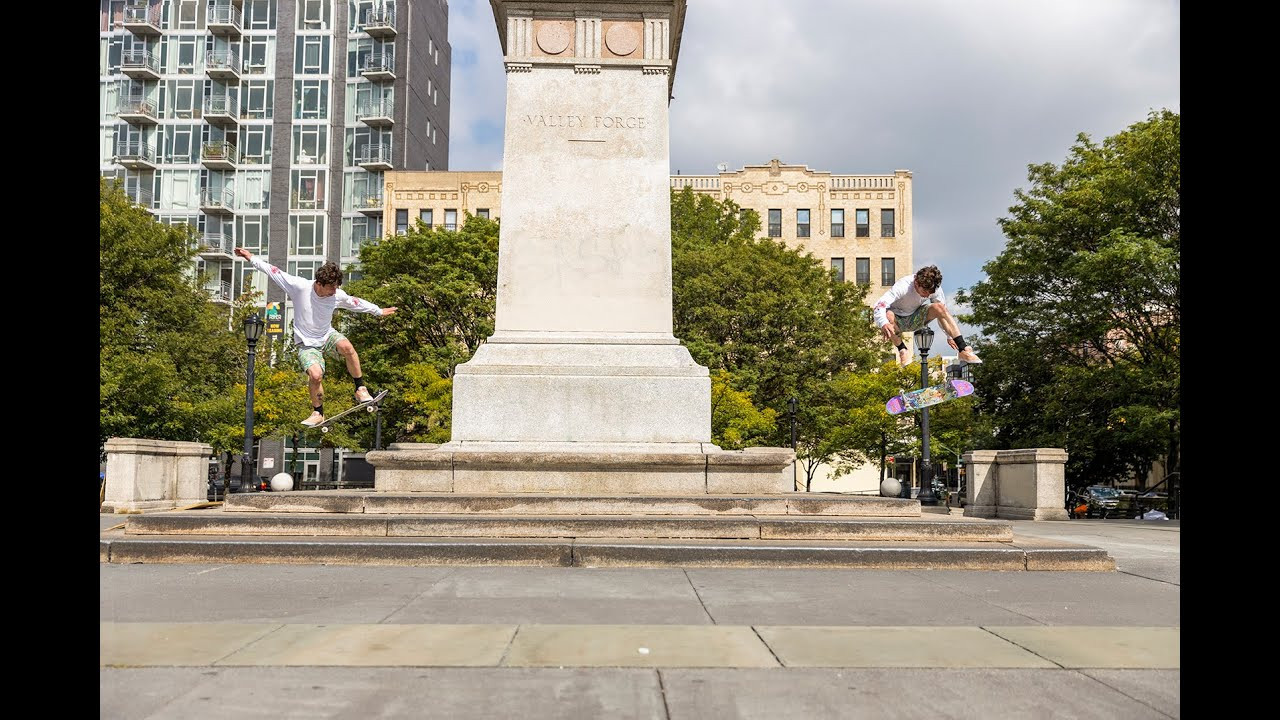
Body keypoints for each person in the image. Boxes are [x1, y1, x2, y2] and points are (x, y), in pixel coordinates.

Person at [234, 247, 397, 427]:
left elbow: (355, 303)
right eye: (330, 288)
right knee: (316, 375)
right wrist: (250, 257)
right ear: (319, 283)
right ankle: (318, 412)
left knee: (347, 347)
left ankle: (360, 388)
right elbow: (273, 271)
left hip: (327, 335)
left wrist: (378, 311)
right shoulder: (299, 287)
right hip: (307, 343)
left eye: (336, 288)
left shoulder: (337, 295)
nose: (334, 292)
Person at [872, 264, 982, 368]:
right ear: (916, 283)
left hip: (916, 318)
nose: (927, 295)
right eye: (925, 291)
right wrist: (883, 323)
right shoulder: (903, 286)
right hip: (896, 321)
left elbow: (942, 313)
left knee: (939, 307)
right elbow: (879, 305)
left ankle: (963, 350)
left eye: (930, 292)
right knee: (887, 314)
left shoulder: (934, 288)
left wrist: (949, 336)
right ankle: (902, 349)